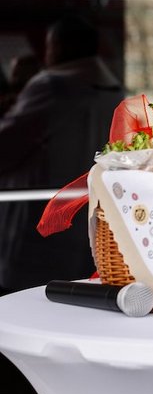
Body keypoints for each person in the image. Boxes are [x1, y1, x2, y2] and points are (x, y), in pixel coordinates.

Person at [0, 15, 124, 294]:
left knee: (27, 298)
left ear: (58, 46)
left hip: (40, 210)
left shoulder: (52, 86)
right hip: (85, 207)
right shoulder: (115, 91)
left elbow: (7, 146)